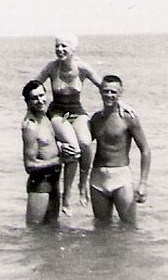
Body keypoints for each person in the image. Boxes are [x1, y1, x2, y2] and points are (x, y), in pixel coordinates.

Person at [35, 33, 102, 214]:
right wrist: (32, 112)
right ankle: (66, 199)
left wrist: (121, 104)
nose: (60, 50)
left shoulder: (82, 68)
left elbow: (105, 87)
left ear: (73, 49)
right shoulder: (51, 67)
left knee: (86, 144)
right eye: (57, 46)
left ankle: (83, 185)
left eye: (64, 46)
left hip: (76, 112)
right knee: (73, 148)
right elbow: (34, 85)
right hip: (59, 114)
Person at [89, 75, 151, 227]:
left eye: (113, 92)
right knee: (101, 228)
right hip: (97, 178)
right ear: (100, 92)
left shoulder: (128, 118)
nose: (109, 95)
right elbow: (83, 145)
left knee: (130, 226)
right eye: (106, 91)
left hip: (121, 177)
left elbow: (145, 150)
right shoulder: (96, 119)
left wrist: (143, 183)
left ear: (120, 93)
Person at [21, 80, 79, 226]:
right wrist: (60, 160)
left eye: (41, 95)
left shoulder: (46, 117)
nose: (40, 100)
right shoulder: (31, 127)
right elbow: (29, 165)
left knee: (52, 231)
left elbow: (48, 144)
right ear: (27, 102)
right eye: (34, 98)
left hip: (54, 181)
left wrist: (61, 146)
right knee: (34, 231)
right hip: (40, 184)